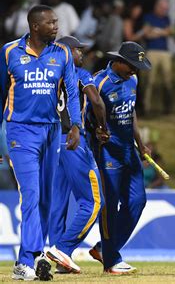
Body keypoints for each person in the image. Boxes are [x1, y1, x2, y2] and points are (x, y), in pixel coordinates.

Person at [0, 4, 81, 281]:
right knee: (31, 195)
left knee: (46, 198)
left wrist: (76, 125)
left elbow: (72, 92)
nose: (57, 27)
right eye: (51, 23)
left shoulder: (63, 54)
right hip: (20, 131)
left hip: (52, 130)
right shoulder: (10, 52)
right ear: (35, 26)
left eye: (57, 22)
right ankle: (29, 259)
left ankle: (28, 258)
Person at [46, 36, 109, 274]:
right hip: (74, 141)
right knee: (94, 201)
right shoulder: (79, 73)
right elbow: (96, 101)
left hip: (52, 143)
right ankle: (63, 248)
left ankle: (59, 258)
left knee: (57, 203)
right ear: (65, 51)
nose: (82, 55)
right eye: (78, 50)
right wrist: (103, 127)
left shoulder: (47, 71)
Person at [88, 41, 151, 274]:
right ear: (119, 62)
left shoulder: (132, 80)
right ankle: (111, 260)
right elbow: (88, 117)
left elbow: (130, 110)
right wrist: (96, 132)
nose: (136, 70)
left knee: (137, 201)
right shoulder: (99, 82)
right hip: (106, 151)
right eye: (132, 65)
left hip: (128, 150)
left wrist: (140, 143)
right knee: (109, 205)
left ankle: (104, 248)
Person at [143, 0, 173, 115]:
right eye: (163, 8)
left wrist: (155, 31)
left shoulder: (166, 19)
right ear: (157, 7)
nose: (165, 11)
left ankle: (167, 107)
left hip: (165, 52)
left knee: (167, 80)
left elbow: (169, 32)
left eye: (166, 9)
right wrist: (162, 32)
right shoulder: (149, 17)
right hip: (152, 51)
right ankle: (147, 107)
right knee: (150, 80)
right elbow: (147, 34)